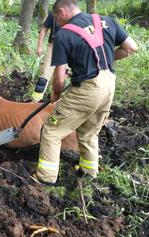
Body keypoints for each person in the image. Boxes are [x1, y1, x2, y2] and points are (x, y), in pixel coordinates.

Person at [32, 0, 137, 184]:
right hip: (109, 85)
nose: (56, 22)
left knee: (51, 131)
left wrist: (56, 94)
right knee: (89, 133)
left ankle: (45, 177)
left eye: (56, 17)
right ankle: (89, 173)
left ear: (62, 11)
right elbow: (131, 47)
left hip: (87, 90)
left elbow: (59, 79)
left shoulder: (63, 35)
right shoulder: (106, 21)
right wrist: (95, 65)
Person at [31, 11, 60, 102]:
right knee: (45, 74)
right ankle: (35, 101)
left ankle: (55, 103)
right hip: (53, 47)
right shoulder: (54, 14)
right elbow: (44, 28)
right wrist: (39, 46)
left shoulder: (75, 15)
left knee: (60, 77)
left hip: (68, 48)